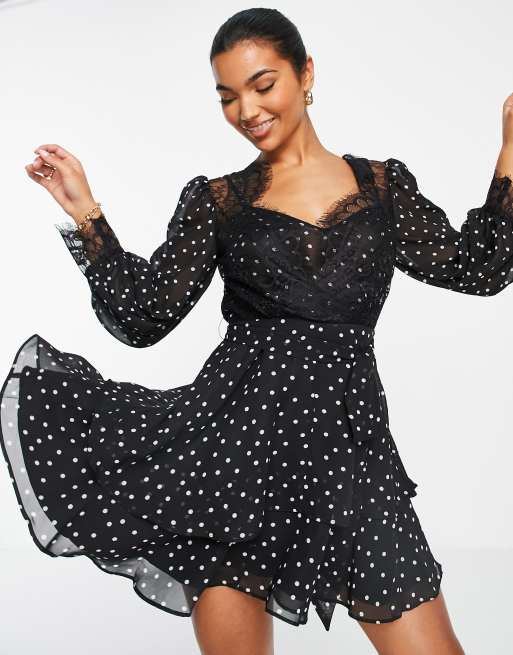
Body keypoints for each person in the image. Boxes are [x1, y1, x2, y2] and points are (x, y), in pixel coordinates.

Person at [2, 7, 512, 655]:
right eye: (227, 96)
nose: (246, 109)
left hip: (350, 455)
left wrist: (509, 150)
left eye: (262, 85)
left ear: (306, 74)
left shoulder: (383, 189)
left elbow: (478, 269)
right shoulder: (218, 201)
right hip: (232, 458)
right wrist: (86, 215)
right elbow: (143, 317)